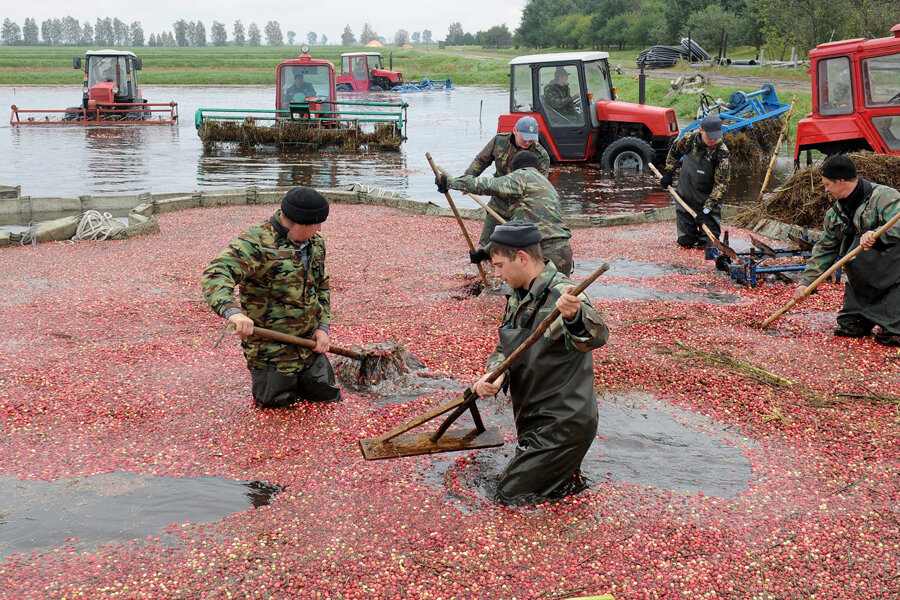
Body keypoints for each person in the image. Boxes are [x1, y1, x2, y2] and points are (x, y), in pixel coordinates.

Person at [471, 221, 609, 505]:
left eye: (498, 265)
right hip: (533, 420)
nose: (495, 274)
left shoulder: (566, 294)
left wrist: (574, 316)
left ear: (522, 258)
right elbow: (505, 348)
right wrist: (496, 374)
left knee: (508, 498)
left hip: (563, 424)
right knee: (553, 494)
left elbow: (596, 337)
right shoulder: (516, 298)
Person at [201, 187, 341, 407]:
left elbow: (321, 285)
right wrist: (234, 313)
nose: (320, 228)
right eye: (316, 224)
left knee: (328, 399)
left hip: (310, 347)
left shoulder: (315, 244)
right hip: (272, 353)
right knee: (276, 410)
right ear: (299, 223)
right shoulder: (256, 243)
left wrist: (323, 327)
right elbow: (216, 274)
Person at [792, 155, 900, 347]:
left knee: (892, 337)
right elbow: (825, 249)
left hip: (892, 278)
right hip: (860, 284)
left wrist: (877, 234)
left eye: (827, 185)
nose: (825, 190)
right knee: (848, 329)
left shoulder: (884, 197)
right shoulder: (835, 214)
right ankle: (860, 313)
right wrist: (806, 282)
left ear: (841, 181)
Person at [437, 150, 575, 275]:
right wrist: (484, 253)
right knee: (559, 299)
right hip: (563, 252)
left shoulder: (522, 176)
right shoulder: (546, 184)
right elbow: (517, 228)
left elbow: (489, 185)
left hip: (541, 253)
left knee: (533, 299)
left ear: (515, 169)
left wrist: (450, 182)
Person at [465, 116, 552, 253]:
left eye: (531, 139)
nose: (528, 142)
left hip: (522, 206)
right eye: (525, 138)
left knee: (523, 249)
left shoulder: (541, 155)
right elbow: (481, 161)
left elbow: (540, 186)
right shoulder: (499, 141)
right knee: (486, 246)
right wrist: (467, 181)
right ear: (515, 130)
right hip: (498, 203)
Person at [659, 115, 731, 248]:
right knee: (685, 242)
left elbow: (721, 184)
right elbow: (674, 153)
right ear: (701, 130)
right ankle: (688, 237)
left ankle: (707, 238)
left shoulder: (721, 152)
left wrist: (707, 210)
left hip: (709, 198)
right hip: (686, 194)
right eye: (710, 136)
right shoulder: (688, 140)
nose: (713, 140)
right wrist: (669, 172)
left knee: (708, 244)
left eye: (716, 136)